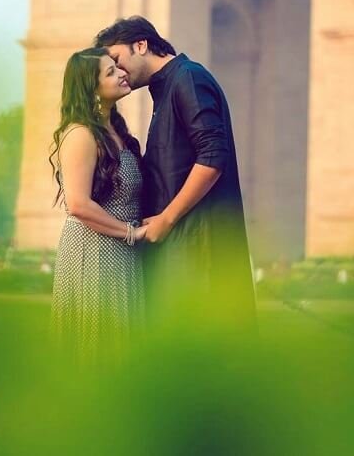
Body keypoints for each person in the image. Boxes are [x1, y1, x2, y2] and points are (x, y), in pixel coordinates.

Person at [94, 17, 256, 329]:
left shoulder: (188, 79)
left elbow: (212, 155)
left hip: (199, 248)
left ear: (141, 45)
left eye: (116, 61)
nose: (117, 72)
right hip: (184, 244)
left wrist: (166, 219)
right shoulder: (168, 87)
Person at [49, 47, 147, 362]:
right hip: (93, 253)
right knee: (97, 351)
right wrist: (131, 233)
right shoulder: (80, 135)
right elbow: (77, 204)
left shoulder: (115, 131)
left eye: (116, 67)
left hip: (121, 251)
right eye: (110, 72)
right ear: (92, 89)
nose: (121, 73)